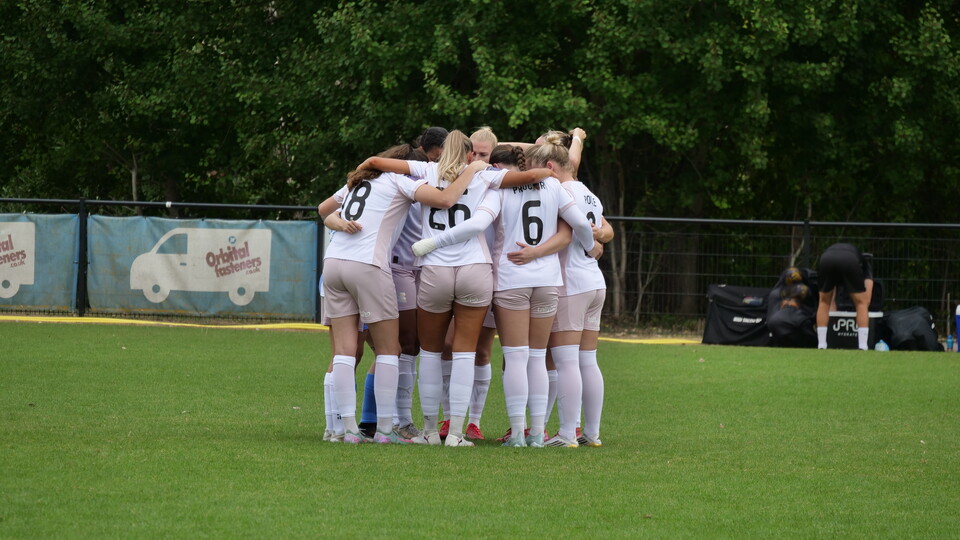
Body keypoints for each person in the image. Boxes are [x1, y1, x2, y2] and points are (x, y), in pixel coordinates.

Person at [382, 130, 555, 446]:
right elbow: (535, 174)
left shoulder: (427, 169)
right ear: (470, 154)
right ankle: (457, 433)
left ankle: (430, 431)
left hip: (434, 269)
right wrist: (548, 159)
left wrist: (367, 163)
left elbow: (386, 164)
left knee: (431, 352)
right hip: (475, 268)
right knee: (465, 352)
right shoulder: (485, 175)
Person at [319, 143, 485, 444]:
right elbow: (446, 199)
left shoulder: (361, 180)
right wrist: (472, 169)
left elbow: (323, 210)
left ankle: (345, 431)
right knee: (389, 349)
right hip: (368, 265)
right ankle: (385, 430)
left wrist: (338, 223)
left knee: (344, 351)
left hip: (333, 263)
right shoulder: (399, 180)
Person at [815, 243, 874, 350]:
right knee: (861, 303)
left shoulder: (861, 262)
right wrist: (862, 302)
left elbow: (829, 299)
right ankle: (863, 346)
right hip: (849, 260)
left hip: (826, 259)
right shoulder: (863, 263)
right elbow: (867, 300)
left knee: (823, 302)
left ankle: (821, 345)